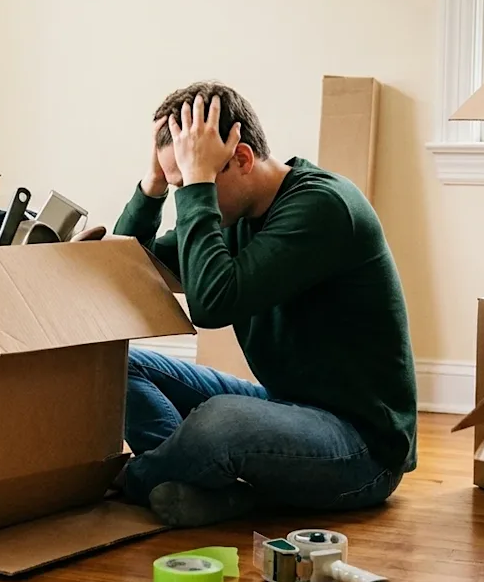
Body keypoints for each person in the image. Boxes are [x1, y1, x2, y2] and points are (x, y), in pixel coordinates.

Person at [113, 81, 417, 527]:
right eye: (180, 187)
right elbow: (130, 267)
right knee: (119, 365)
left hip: (361, 448)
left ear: (241, 158)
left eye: (194, 185)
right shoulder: (234, 212)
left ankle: (132, 480)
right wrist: (153, 186)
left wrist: (195, 185)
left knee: (222, 422)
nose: (189, 201)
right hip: (285, 408)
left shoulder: (323, 207)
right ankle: (205, 484)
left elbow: (214, 304)